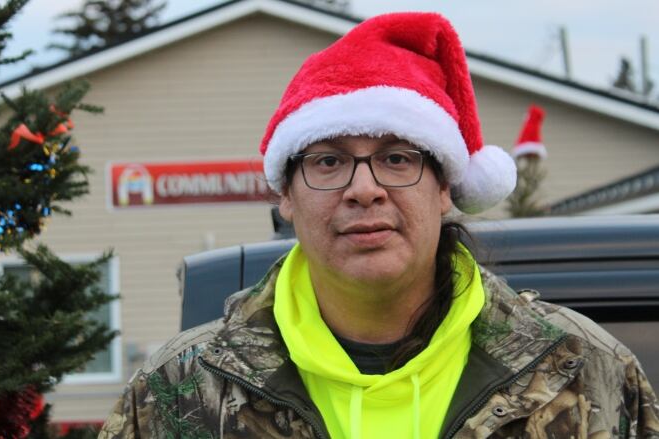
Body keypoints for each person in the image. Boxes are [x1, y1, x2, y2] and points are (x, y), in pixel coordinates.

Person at [98, 12, 659, 439]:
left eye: (396, 158)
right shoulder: (176, 392)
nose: (363, 188)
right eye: (327, 161)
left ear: (444, 188)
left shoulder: (587, 371)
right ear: (286, 196)